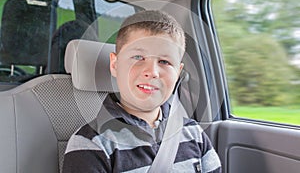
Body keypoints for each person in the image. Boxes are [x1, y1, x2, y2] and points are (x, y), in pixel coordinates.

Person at [62, 10, 221, 172]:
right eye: (138, 57)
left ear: (178, 73)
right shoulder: (91, 143)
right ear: (115, 65)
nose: (152, 71)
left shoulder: (194, 133)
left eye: (164, 61)